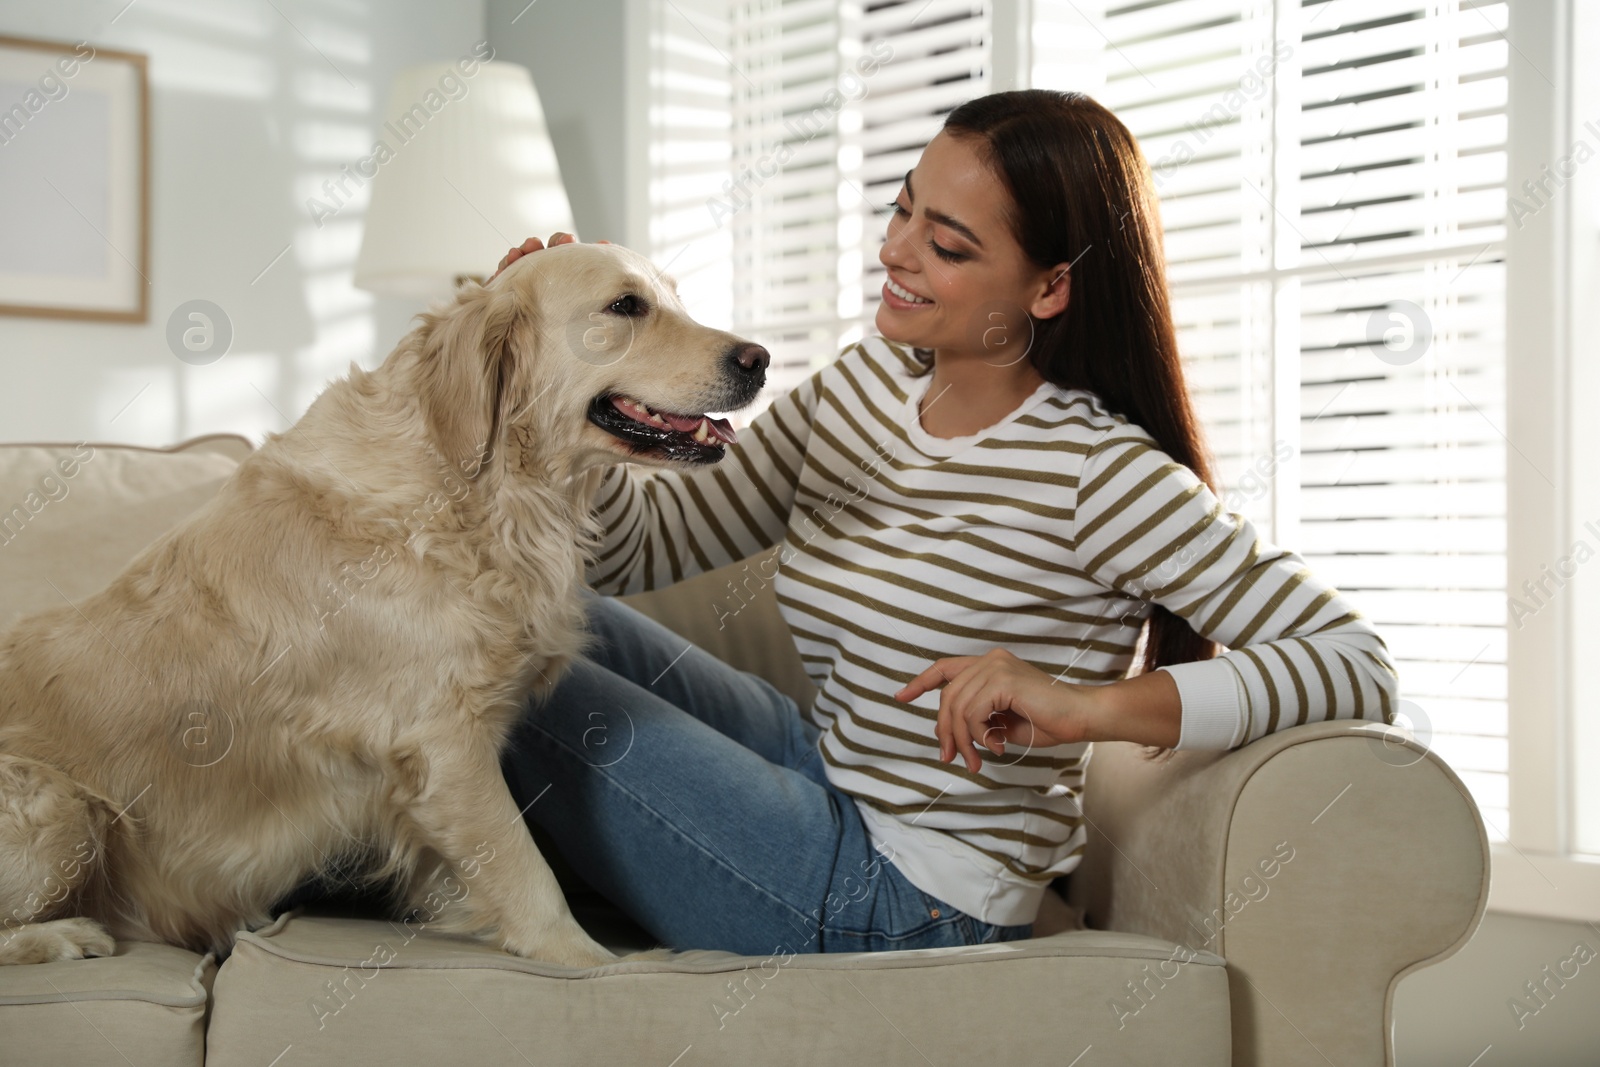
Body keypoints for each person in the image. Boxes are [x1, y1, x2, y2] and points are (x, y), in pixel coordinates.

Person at [492, 89, 1399, 958]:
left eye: (950, 246)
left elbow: (1354, 661)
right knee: (531, 624)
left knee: (501, 677)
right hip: (825, 770)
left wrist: (1085, 708)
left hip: (907, 895)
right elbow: (642, 548)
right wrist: (564, 375)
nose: (898, 252)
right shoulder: (866, 384)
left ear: (1049, 288)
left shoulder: (1100, 475)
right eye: (903, 211)